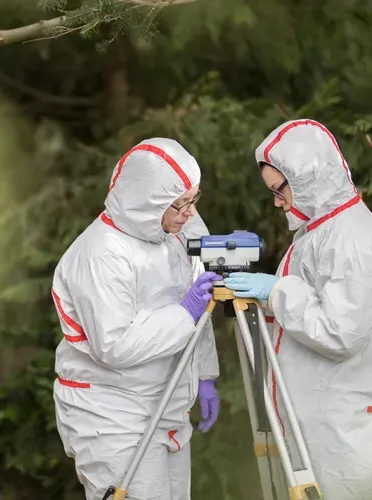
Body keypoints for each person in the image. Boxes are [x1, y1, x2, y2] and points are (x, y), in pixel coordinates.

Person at [51, 138, 222, 500]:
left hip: (167, 406)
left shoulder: (176, 229)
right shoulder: (102, 253)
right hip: (114, 417)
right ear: (147, 203)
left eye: (195, 199)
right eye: (182, 204)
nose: (190, 213)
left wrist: (204, 374)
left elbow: (200, 306)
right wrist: (183, 312)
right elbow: (115, 346)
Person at [224, 118, 372, 499]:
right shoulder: (318, 230)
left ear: (308, 177)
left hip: (340, 428)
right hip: (319, 420)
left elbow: (342, 333)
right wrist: (271, 298)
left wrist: (277, 293)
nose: (276, 202)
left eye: (279, 190)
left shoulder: (350, 238)